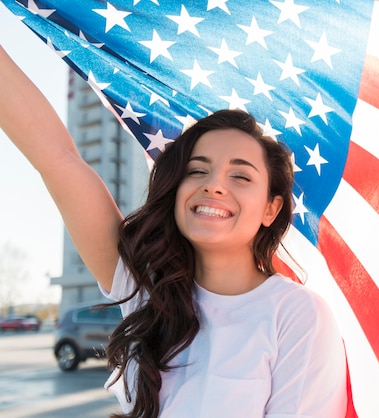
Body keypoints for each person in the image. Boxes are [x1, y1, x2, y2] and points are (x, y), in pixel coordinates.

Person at [0, 46, 348, 418]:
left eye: (241, 175)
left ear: (270, 208)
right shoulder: (146, 288)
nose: (214, 185)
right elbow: (56, 158)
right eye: (197, 170)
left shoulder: (298, 316)